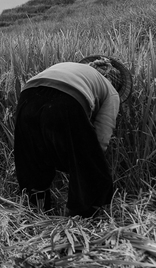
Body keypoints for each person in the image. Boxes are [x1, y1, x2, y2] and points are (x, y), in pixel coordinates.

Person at [13, 55, 132, 217]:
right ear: (116, 84)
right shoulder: (111, 92)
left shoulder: (70, 67)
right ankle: (79, 219)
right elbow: (102, 137)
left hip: (27, 95)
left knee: (33, 159)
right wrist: (87, 163)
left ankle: (35, 213)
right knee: (93, 170)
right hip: (67, 98)